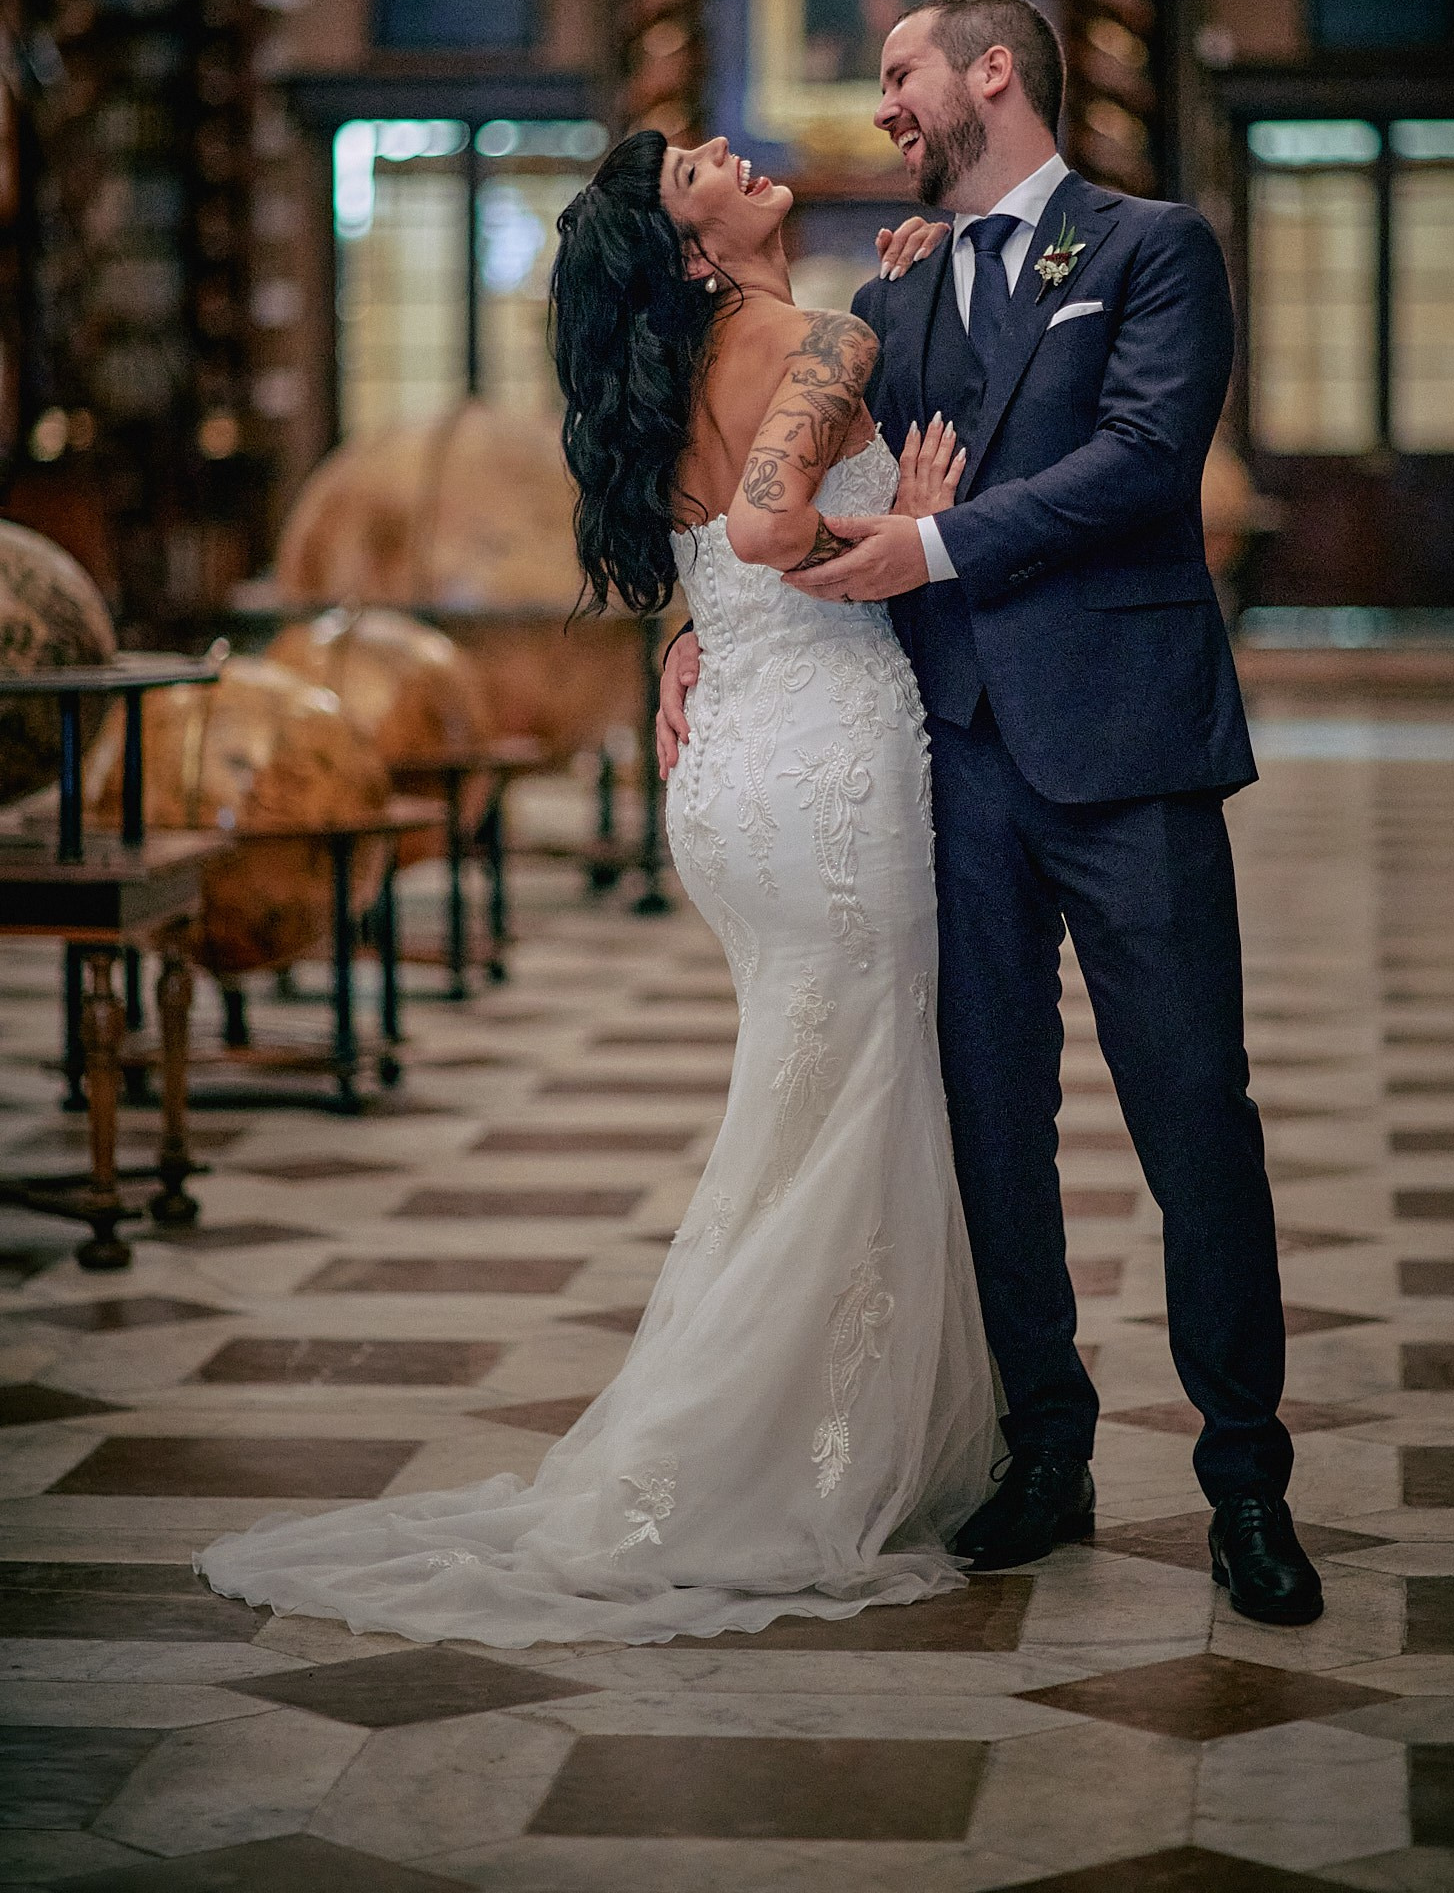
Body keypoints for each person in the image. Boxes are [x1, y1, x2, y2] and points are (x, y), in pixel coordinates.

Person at [195, 127, 1000, 1647]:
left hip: (735, 768)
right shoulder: (815, 338)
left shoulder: (702, 359)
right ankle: (781, 1460)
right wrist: (911, 529)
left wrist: (721, 619)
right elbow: (766, 529)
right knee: (855, 1096)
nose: (730, 154)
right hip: (827, 761)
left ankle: (791, 1433)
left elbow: (717, 561)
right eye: (697, 172)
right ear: (690, 247)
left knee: (808, 1102)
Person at [661, 0, 1324, 1626]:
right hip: (950, 756)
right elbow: (792, 492)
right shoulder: (902, 288)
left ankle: (1246, 1484)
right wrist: (696, 623)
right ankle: (1048, 1448)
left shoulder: (1152, 246)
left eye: (895, 73)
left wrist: (936, 552)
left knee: (1193, 1121)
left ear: (989, 72)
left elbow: (1145, 457)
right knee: (989, 1126)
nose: (878, 104)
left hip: (1126, 743)